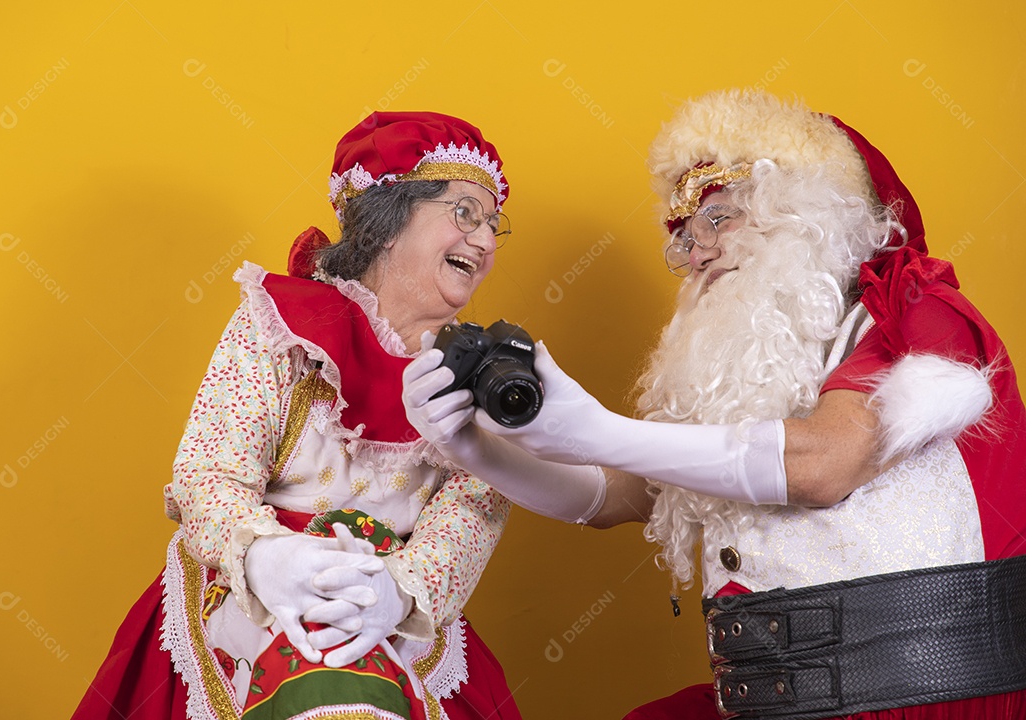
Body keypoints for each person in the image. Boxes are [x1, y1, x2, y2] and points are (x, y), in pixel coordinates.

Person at [403, 90, 1026, 718]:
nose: (694, 250)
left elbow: (825, 464)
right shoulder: (746, 375)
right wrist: (476, 449)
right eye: (682, 235)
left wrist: (595, 430)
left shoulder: (912, 313)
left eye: (718, 219)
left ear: (802, 211)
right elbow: (614, 494)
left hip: (918, 701)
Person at [73, 111, 523, 720]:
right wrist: (263, 558)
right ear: (389, 222)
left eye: (493, 223)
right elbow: (209, 472)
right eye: (464, 212)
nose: (486, 240)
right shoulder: (283, 327)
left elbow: (476, 503)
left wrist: (400, 592)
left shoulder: (487, 372)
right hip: (247, 600)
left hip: (387, 616)